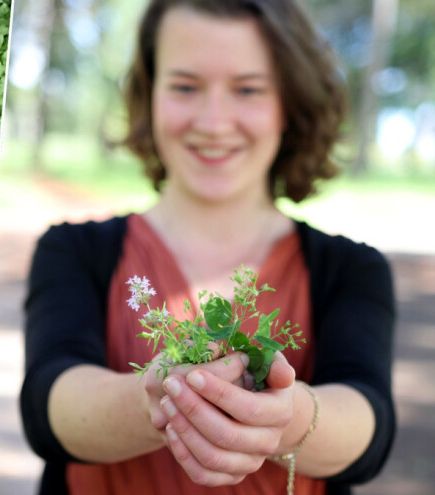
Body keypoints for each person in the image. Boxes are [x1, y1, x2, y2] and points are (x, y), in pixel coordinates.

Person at [19, 0, 396, 494]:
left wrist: (281, 416)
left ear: (289, 102)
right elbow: (49, 403)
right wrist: (159, 398)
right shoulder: (73, 249)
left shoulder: (350, 268)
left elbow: (368, 422)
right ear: (148, 95)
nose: (214, 122)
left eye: (247, 89)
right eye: (184, 86)